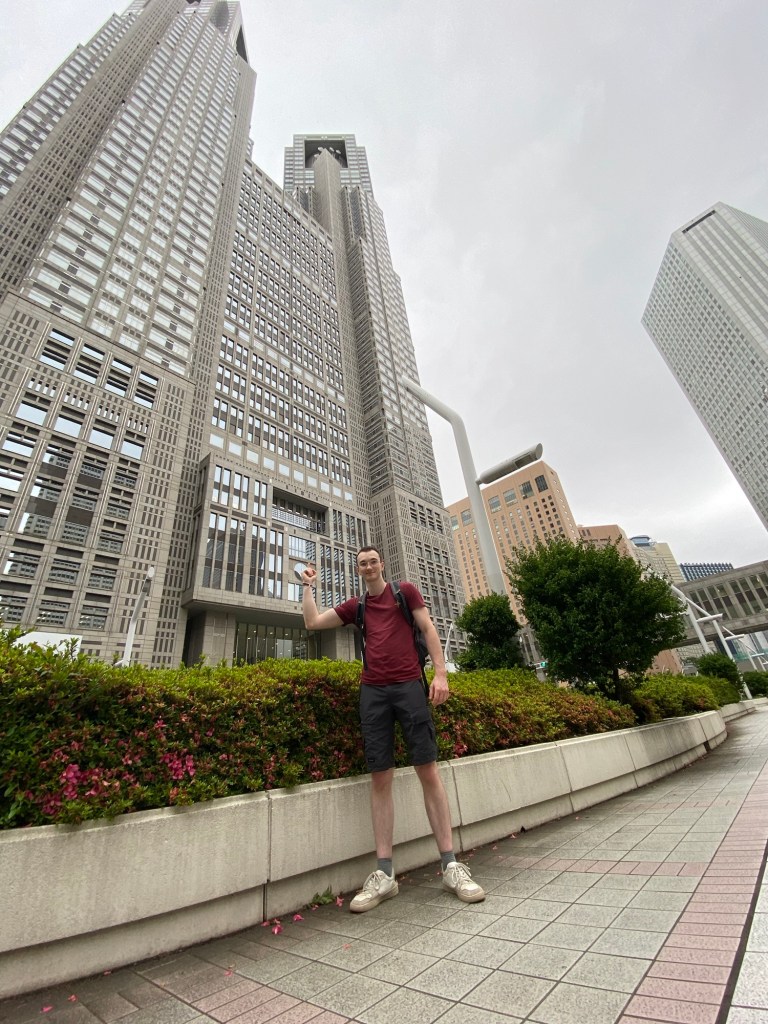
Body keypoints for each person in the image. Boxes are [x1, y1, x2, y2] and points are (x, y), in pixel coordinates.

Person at [300, 544, 485, 912]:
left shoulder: (405, 592)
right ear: (358, 570)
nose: (368, 567)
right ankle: (385, 874)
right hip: (373, 692)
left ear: (382, 564)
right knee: (380, 777)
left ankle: (451, 865)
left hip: (409, 687)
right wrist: (308, 586)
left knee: (428, 770)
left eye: (373, 561)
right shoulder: (357, 606)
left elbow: (428, 628)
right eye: (362, 564)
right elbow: (313, 623)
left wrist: (441, 674)